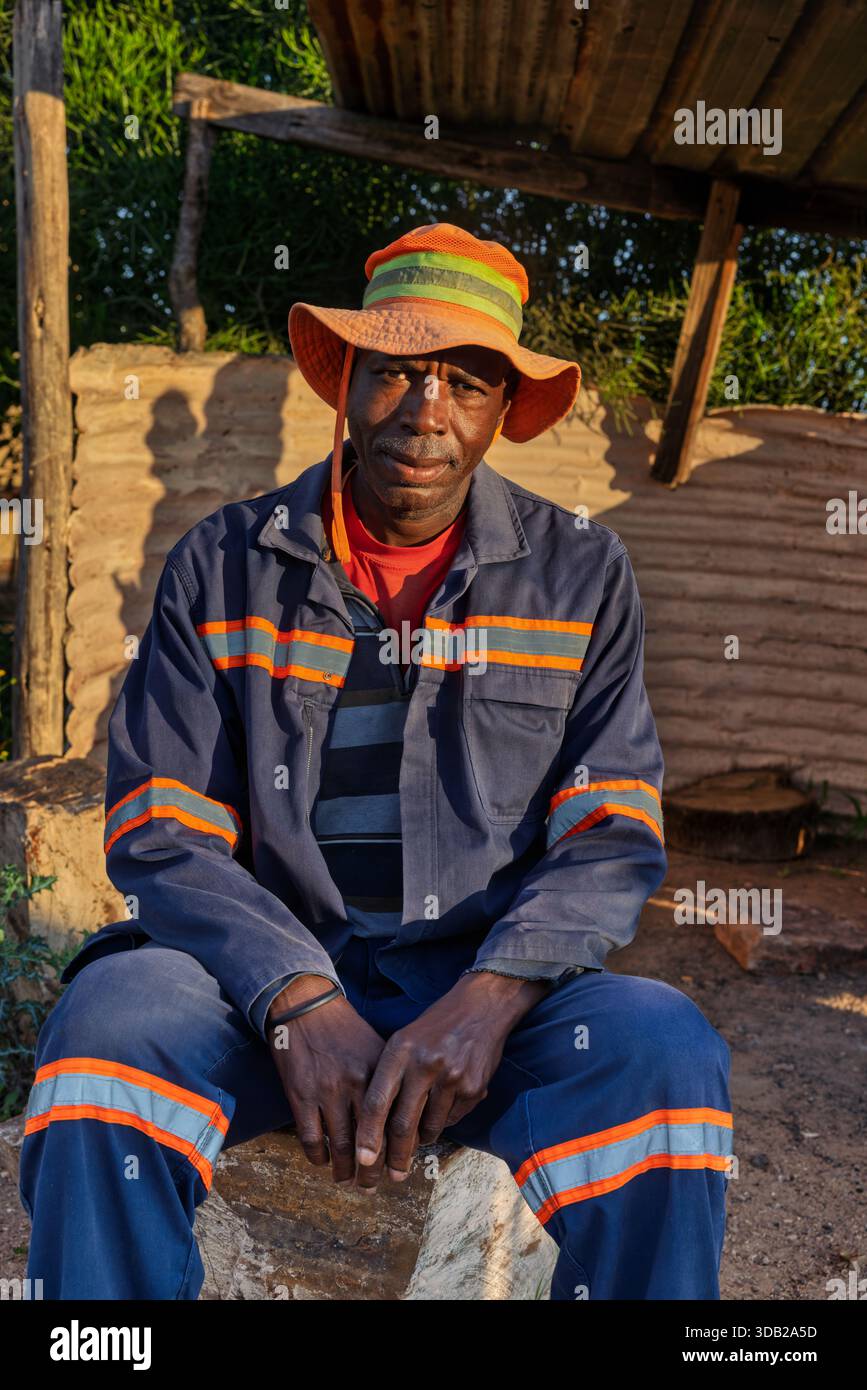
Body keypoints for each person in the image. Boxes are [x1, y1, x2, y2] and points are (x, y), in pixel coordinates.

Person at [19, 224, 732, 1300]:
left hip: (489, 1002)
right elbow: (163, 828)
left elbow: (611, 830)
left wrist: (490, 998)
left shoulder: (580, 574)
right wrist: (299, 997)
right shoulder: (225, 563)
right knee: (106, 1037)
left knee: (663, 1051)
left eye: (467, 381)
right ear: (347, 379)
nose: (428, 408)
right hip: (250, 994)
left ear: (502, 410)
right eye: (399, 369)